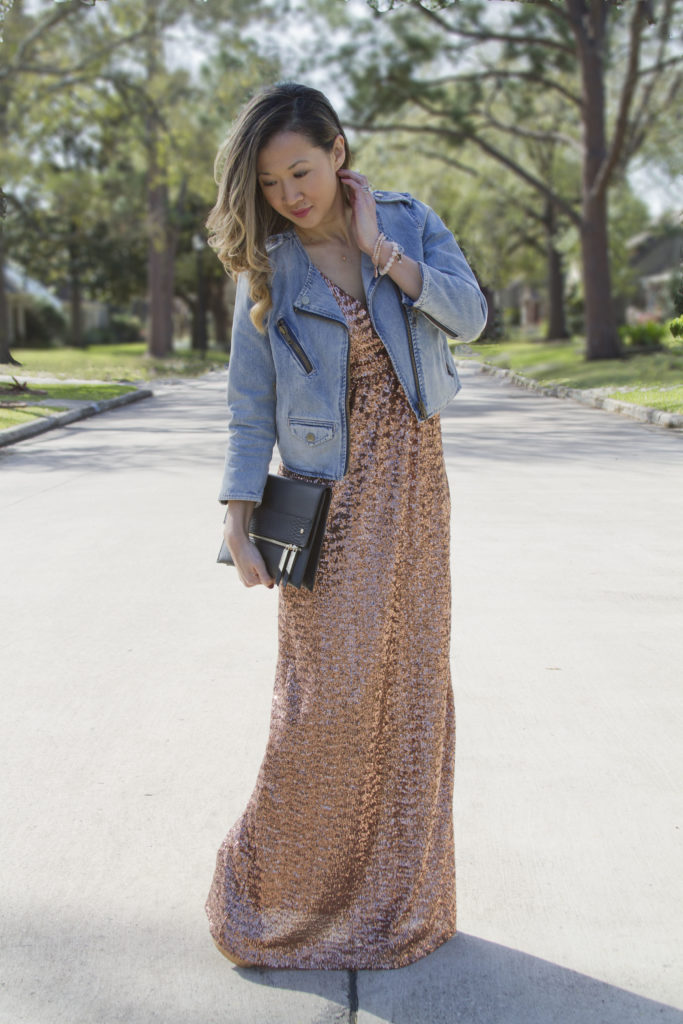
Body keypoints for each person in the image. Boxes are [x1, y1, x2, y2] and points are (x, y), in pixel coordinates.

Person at [204, 81, 487, 971]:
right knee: (320, 704)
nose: (292, 193)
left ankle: (397, 900)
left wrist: (383, 254)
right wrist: (238, 523)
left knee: (406, 693)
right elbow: (250, 410)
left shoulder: (404, 218)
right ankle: (270, 896)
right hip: (326, 497)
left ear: (337, 151)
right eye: (272, 181)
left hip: (415, 487)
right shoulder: (268, 268)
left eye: (303, 168)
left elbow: (470, 316)